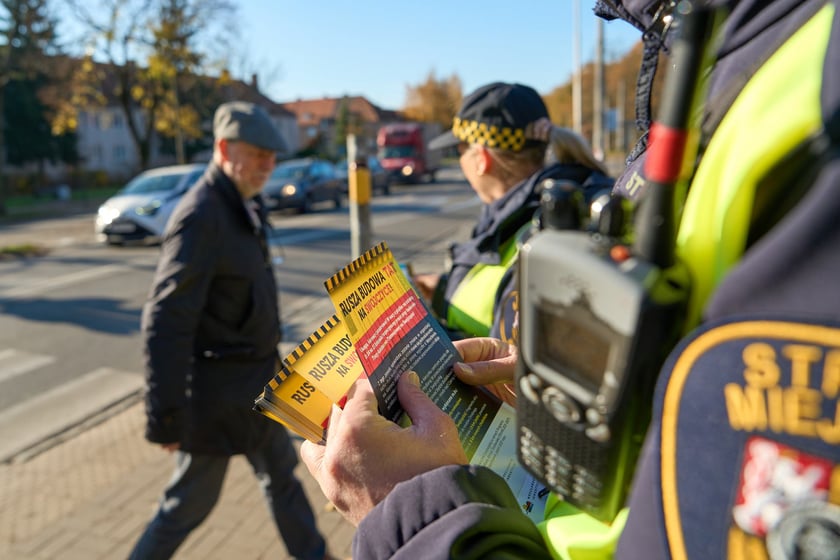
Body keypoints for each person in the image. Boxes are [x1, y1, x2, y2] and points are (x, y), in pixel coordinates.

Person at [301, 0, 840, 558]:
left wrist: (409, 510)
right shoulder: (727, 64)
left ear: (480, 156)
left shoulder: (793, 83)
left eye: (460, 150)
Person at [129, 101, 331, 560]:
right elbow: (165, 322)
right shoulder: (201, 216)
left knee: (283, 481)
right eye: (259, 153)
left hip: (259, 386)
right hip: (217, 400)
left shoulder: (242, 202)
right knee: (186, 507)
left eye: (273, 156)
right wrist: (165, 416)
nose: (269, 165)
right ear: (223, 148)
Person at [413, 81, 613, 343]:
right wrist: (440, 288)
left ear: (481, 159)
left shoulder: (539, 234)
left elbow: (499, 372)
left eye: (460, 151)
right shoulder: (525, 213)